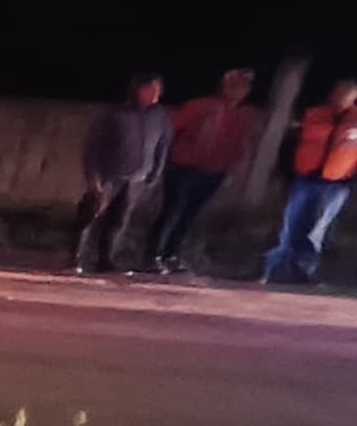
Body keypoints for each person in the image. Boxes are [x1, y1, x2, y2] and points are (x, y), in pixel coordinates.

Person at [145, 67, 256, 272]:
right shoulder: (199, 106)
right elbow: (170, 131)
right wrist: (165, 160)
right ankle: (152, 255)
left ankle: (170, 254)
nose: (237, 91)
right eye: (233, 85)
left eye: (243, 86)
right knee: (172, 212)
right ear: (223, 86)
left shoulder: (245, 115)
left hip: (215, 172)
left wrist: (233, 169)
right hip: (184, 168)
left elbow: (241, 144)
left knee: (188, 214)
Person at [72, 72, 169, 274]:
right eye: (150, 90)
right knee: (90, 215)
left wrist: (156, 170)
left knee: (119, 220)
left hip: (136, 178)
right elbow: (93, 147)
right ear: (138, 90)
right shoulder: (115, 114)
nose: (155, 95)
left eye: (157, 91)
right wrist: (93, 177)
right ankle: (75, 258)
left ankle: (106, 259)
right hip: (109, 176)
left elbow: (163, 144)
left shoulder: (159, 116)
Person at [263, 80, 357, 283]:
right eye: (338, 93)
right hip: (305, 179)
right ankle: (277, 273)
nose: (340, 98)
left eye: (347, 95)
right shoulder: (314, 114)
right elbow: (291, 143)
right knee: (291, 226)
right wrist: (284, 173)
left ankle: (304, 274)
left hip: (336, 184)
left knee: (317, 230)